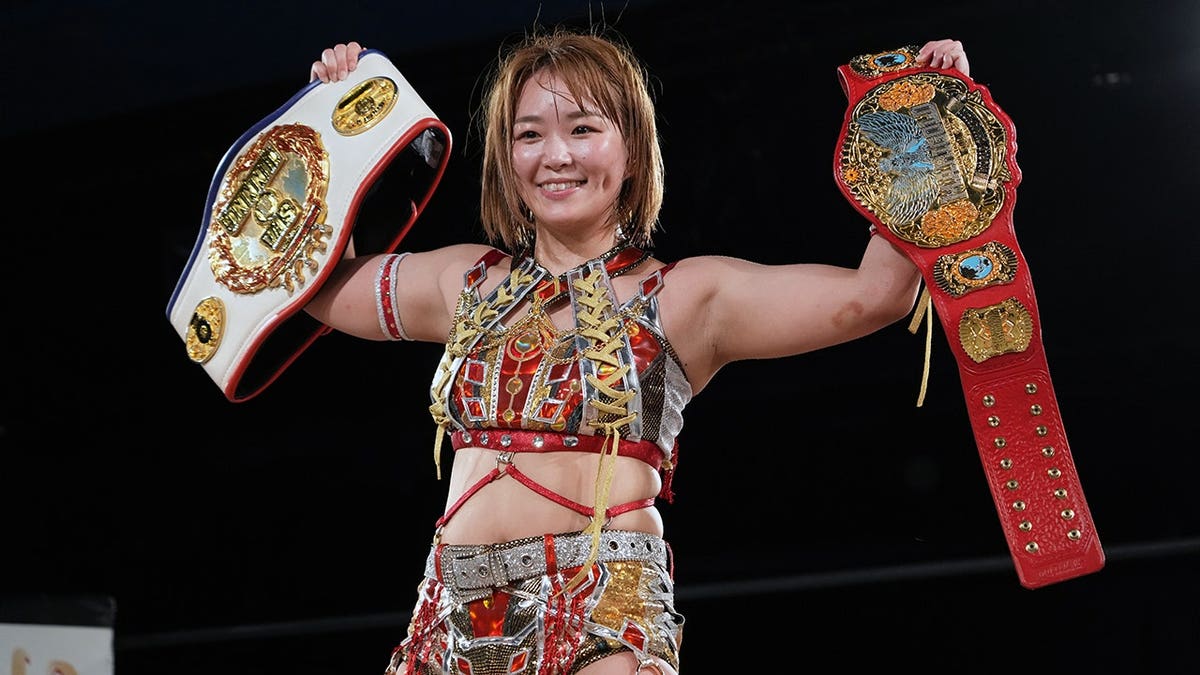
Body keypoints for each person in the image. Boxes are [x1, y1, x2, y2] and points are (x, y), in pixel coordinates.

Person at [305, 28, 969, 675]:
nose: (555, 155)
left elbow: (877, 294)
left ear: (632, 150)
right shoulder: (463, 281)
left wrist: (924, 123)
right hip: (446, 619)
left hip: (602, 616)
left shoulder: (685, 297)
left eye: (583, 129)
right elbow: (314, 287)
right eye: (529, 134)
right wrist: (332, 128)